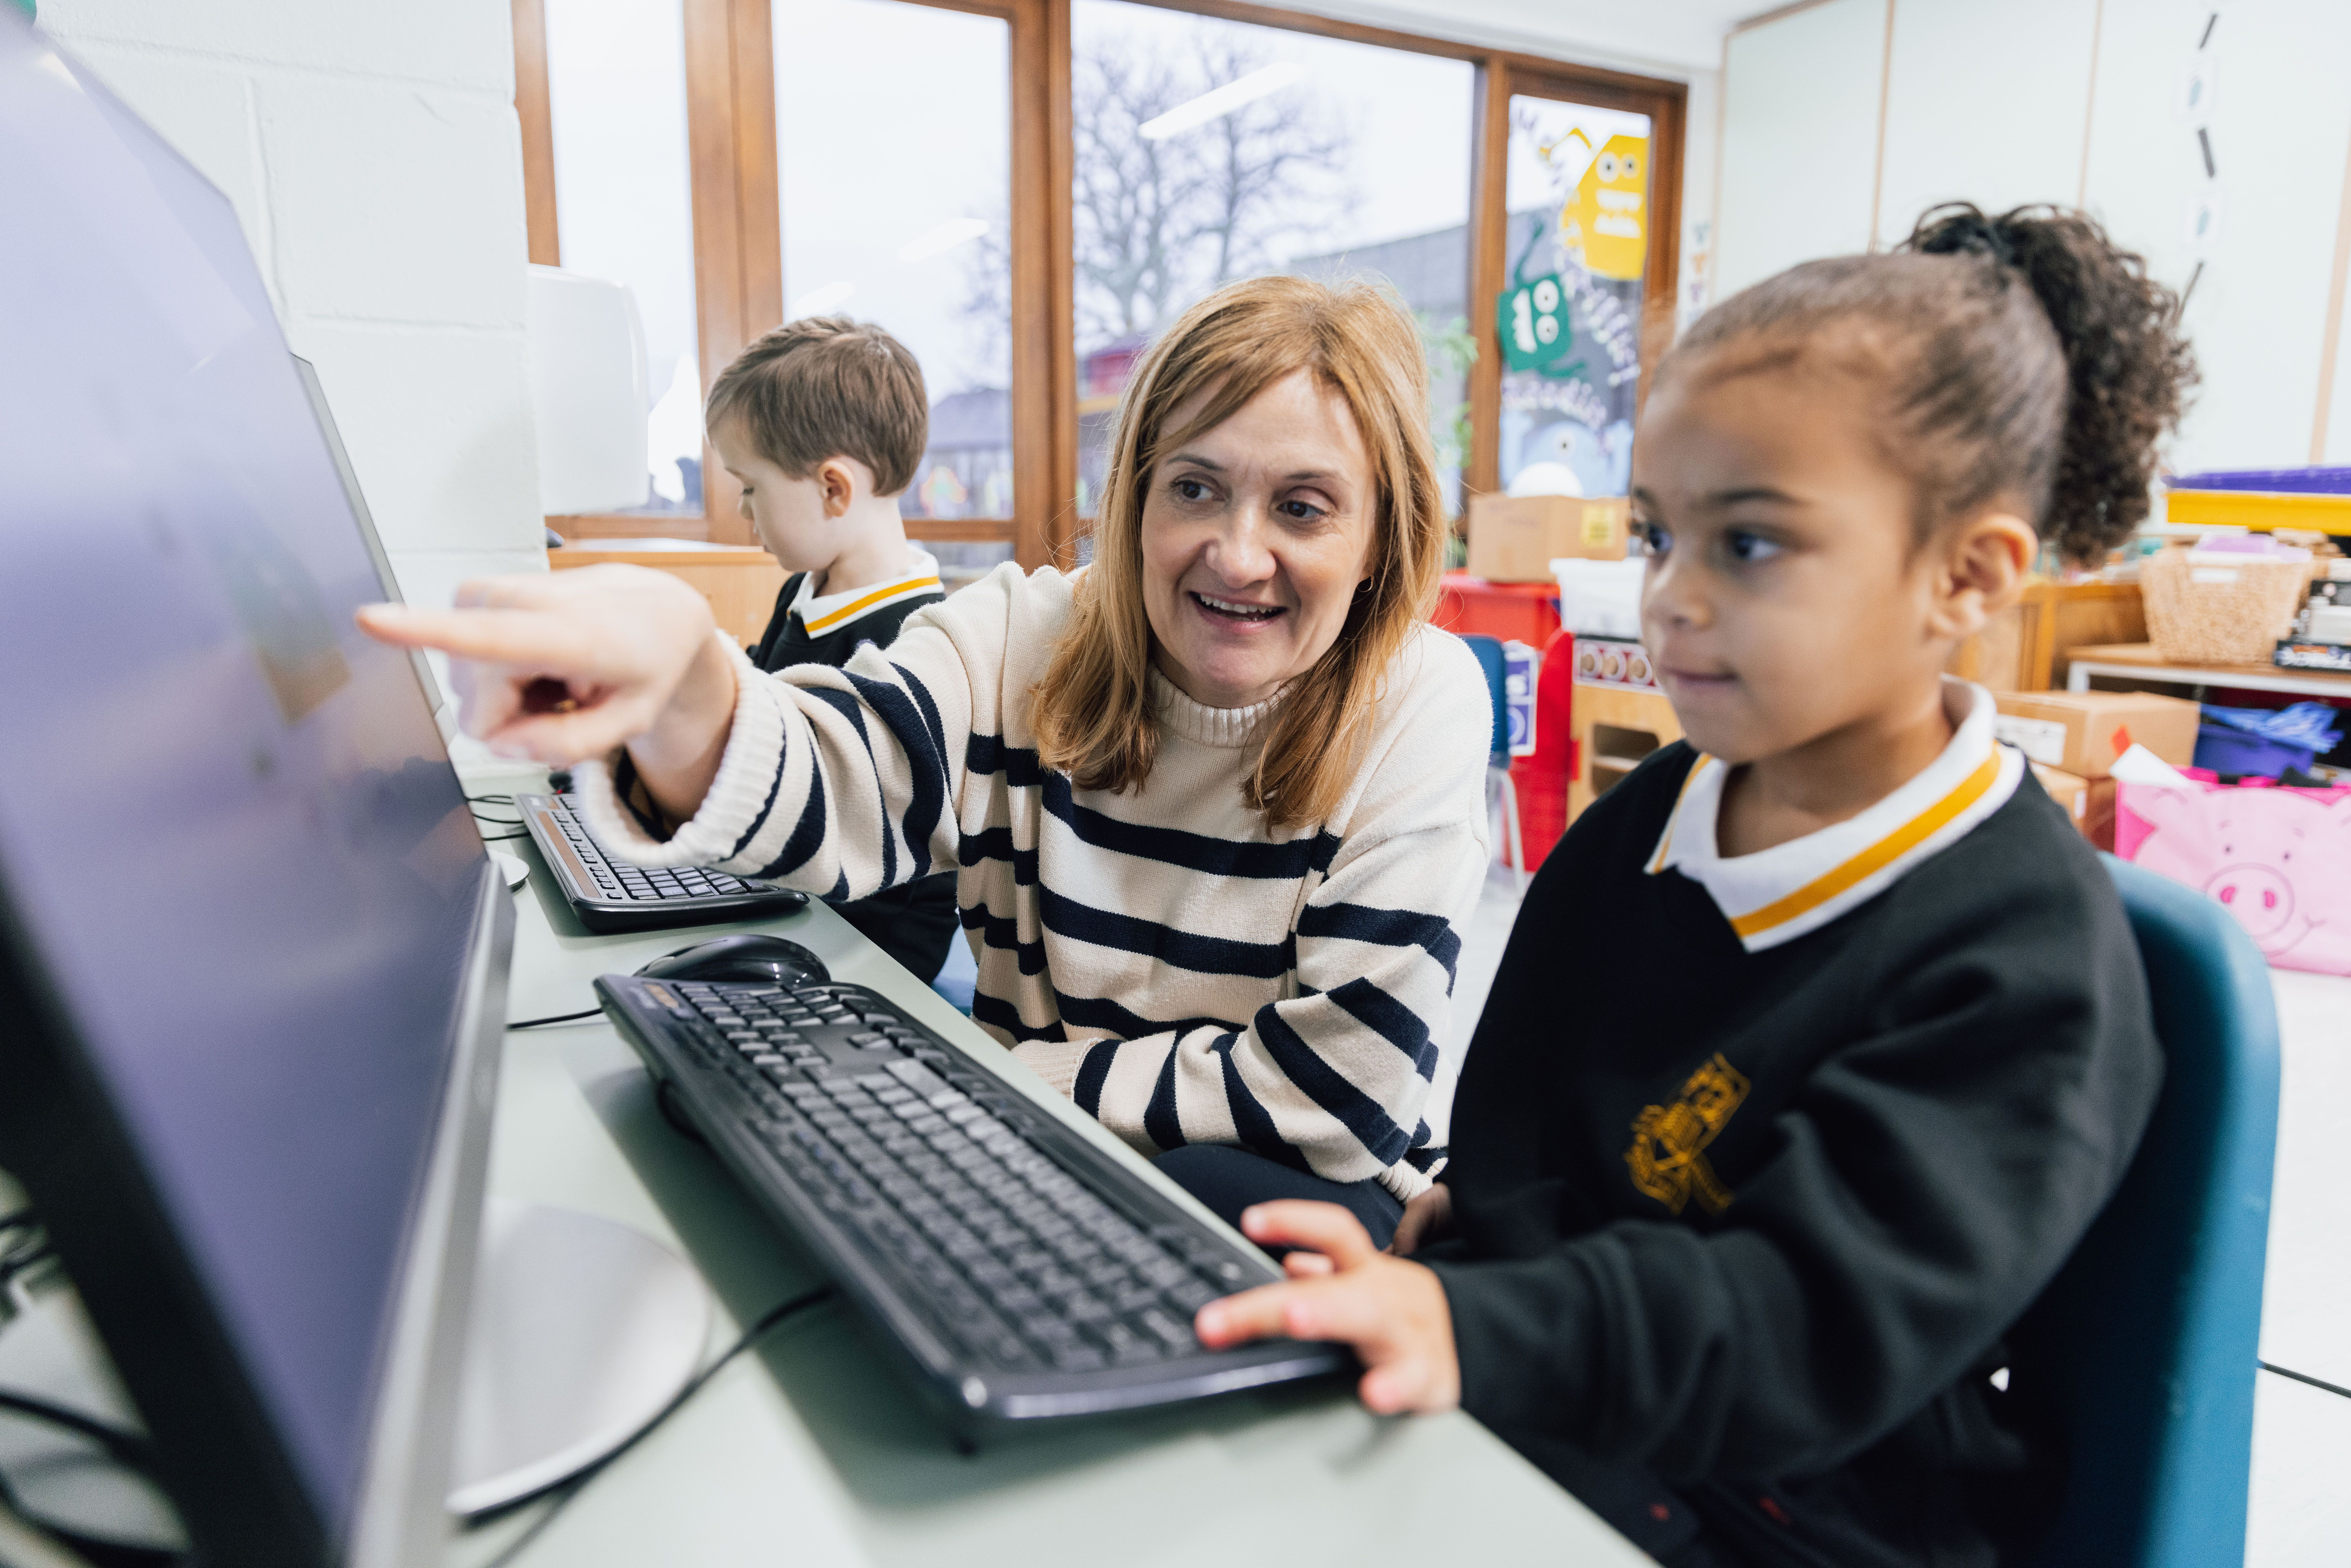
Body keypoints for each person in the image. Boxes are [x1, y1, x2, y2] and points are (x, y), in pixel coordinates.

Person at [1193, 204, 2193, 1568]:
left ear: (1968, 574)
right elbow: (1530, 1126)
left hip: (1781, 1503)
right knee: (1216, 1201)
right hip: (1584, 1363)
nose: (1670, 598)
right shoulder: (1660, 810)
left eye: (1752, 545)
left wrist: (1471, 1321)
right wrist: (1458, 1238)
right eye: (1660, 536)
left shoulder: (2023, 953)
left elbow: (1802, 1327)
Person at [361, 276, 1492, 1239]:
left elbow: (1340, 1092)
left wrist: (1023, 1081)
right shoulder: (1026, 632)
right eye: (1192, 486)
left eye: (1302, 508)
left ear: (1378, 540)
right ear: (1136, 494)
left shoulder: (1419, 701)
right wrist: (695, 696)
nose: (1236, 553)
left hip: (1288, 1184)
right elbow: (845, 775)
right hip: (1031, 1149)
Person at [706, 316, 955, 982]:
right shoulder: (803, 590)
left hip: (868, 945)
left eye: (750, 487)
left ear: (833, 489)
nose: (742, 509)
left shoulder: (920, 637)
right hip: (784, 887)